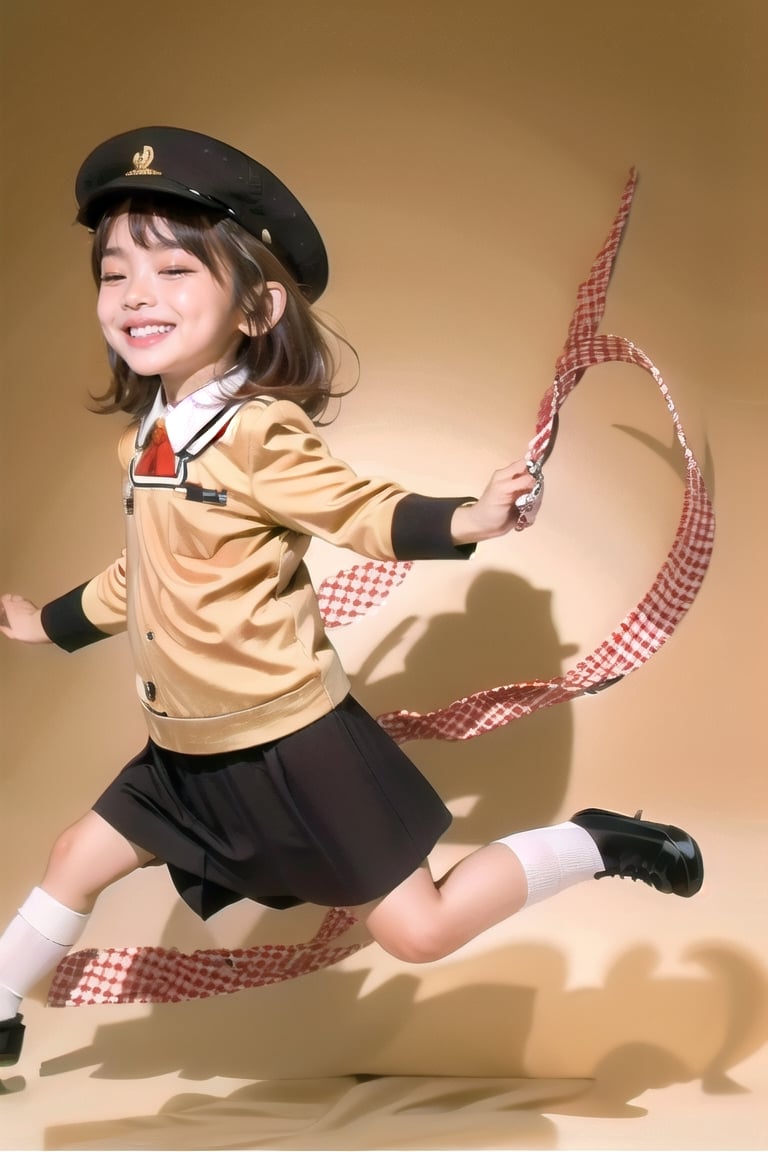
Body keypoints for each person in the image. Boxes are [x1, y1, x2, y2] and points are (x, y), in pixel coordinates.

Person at [0, 127, 703, 1069]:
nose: (135, 295)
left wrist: (466, 519)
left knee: (417, 931)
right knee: (73, 859)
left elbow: (358, 510)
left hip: (294, 746)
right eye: (115, 273)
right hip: (186, 749)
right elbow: (145, 574)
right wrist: (45, 623)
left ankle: (596, 840)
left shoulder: (258, 434)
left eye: (173, 270)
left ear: (257, 308)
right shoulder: (144, 443)